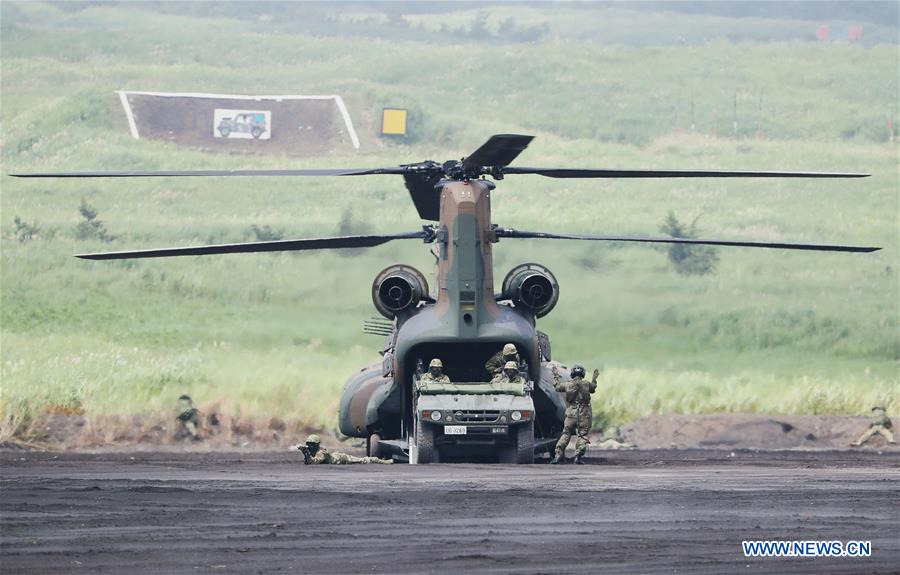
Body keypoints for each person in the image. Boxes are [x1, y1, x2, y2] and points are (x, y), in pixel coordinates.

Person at [550, 364, 599, 465]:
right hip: (584, 413)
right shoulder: (586, 384)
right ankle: (577, 457)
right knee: (582, 435)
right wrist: (594, 378)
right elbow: (593, 388)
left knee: (566, 434)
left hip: (571, 413)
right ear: (583, 374)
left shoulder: (567, 385)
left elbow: (557, 387)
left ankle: (558, 456)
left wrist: (555, 375)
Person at [294, 434, 393, 464]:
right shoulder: (315, 451)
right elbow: (309, 462)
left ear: (317, 445)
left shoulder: (321, 452)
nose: (310, 446)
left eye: (312, 444)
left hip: (341, 458)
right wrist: (306, 453)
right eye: (308, 444)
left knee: (362, 460)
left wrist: (306, 453)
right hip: (336, 456)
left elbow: (315, 462)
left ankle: (381, 461)